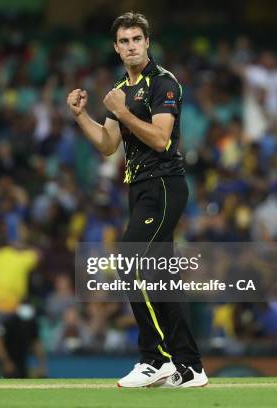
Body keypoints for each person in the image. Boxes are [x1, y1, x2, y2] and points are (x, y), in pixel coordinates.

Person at [66, 12, 207, 388]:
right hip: (140, 187)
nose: (130, 46)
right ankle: (190, 365)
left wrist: (122, 111)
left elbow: (161, 139)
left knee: (130, 258)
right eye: (124, 41)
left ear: (148, 42)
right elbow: (109, 146)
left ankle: (154, 358)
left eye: (136, 39)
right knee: (160, 279)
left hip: (163, 184)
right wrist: (81, 117)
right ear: (116, 47)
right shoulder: (120, 90)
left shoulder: (163, 83)